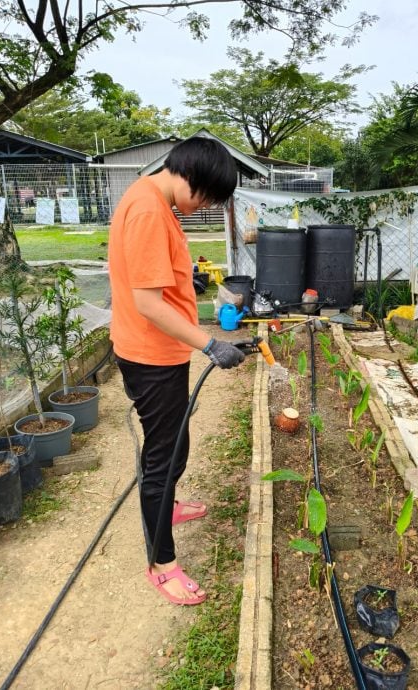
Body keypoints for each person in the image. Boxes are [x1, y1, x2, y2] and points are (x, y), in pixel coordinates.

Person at [108, 137, 245, 606]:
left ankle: (167, 508)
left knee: (174, 441)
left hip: (160, 352)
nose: (203, 205)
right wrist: (210, 344)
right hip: (150, 356)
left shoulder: (154, 198)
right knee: (163, 457)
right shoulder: (149, 210)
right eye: (205, 196)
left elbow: (157, 279)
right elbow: (148, 303)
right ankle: (161, 562)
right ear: (189, 175)